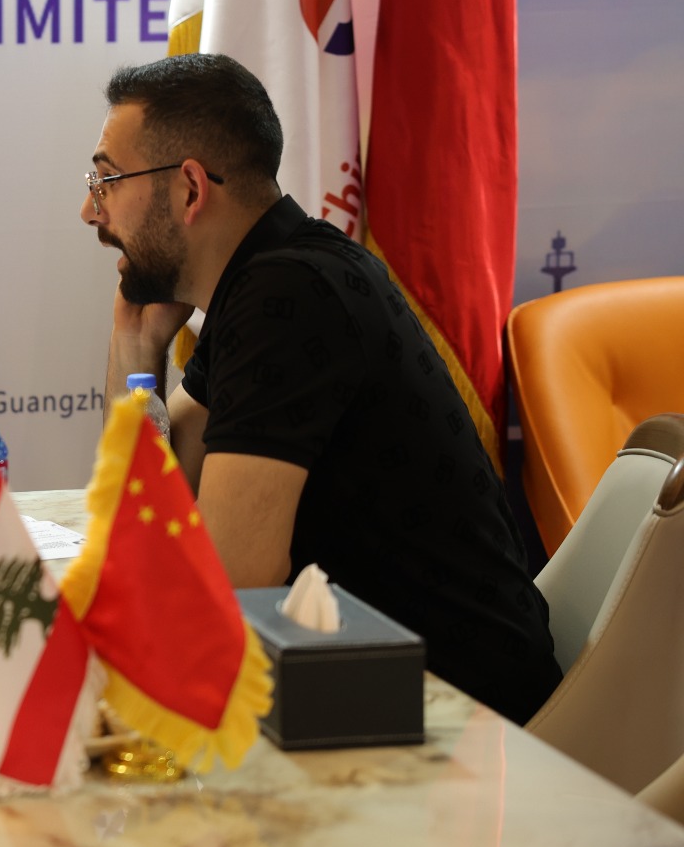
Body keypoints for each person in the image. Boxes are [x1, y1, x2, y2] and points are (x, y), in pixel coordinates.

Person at [82, 54, 560, 724]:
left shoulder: (289, 295)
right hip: (372, 691)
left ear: (190, 189)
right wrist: (135, 348)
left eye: (105, 181)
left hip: (459, 722)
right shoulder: (272, 276)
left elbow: (229, 583)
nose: (89, 211)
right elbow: (155, 497)